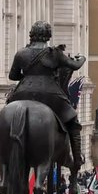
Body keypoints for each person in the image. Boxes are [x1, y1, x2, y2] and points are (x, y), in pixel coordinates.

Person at [7, 21, 87, 164]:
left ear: (32, 34)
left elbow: (12, 76)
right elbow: (74, 65)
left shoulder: (21, 53)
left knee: (7, 112)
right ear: (48, 35)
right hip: (50, 94)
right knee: (72, 121)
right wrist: (82, 58)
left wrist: (27, 77)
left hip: (23, 92)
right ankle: (77, 158)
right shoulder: (54, 53)